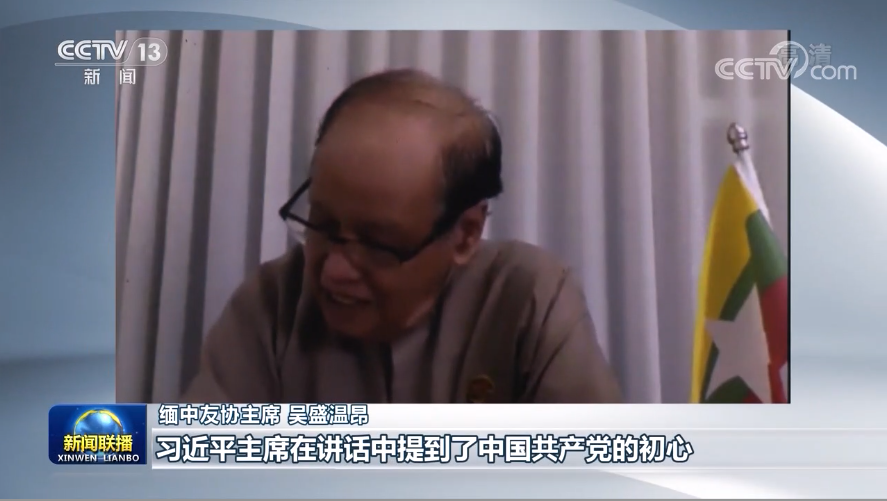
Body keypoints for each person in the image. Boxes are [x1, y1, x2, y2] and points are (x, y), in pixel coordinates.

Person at [181, 68, 622, 404]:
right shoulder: (271, 305)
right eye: (323, 225)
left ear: (465, 234)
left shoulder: (530, 299)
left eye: (378, 243)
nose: (334, 271)